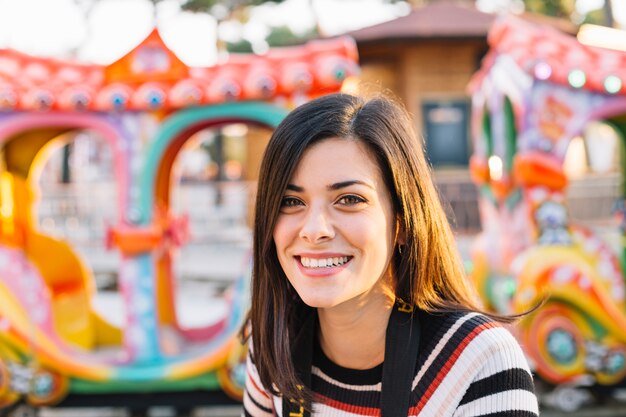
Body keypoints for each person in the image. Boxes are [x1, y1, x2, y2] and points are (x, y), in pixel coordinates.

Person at [242, 93, 538, 417]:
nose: (314, 230)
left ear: (402, 221)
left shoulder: (479, 361)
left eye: (349, 199)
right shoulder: (274, 341)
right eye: (291, 201)